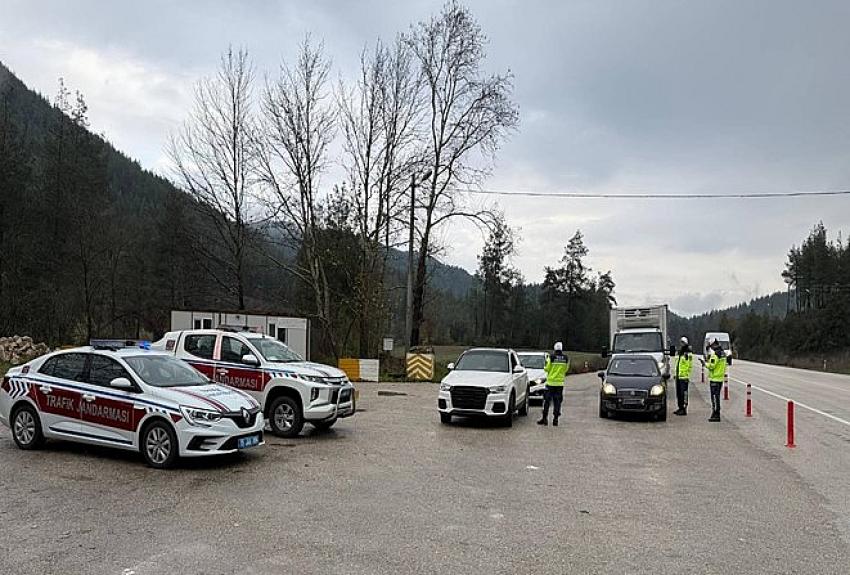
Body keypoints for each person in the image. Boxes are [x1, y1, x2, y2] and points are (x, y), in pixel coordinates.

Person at [537, 341, 570, 426]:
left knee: (547, 401)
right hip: (559, 384)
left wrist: (545, 366)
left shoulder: (551, 357)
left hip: (550, 383)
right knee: (557, 401)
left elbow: (547, 369)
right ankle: (555, 419)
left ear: (555, 349)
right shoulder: (565, 358)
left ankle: (544, 419)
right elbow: (566, 370)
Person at [704, 338, 728, 422]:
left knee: (714, 398)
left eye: (711, 346)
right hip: (720, 378)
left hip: (715, 378)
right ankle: (716, 413)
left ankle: (716, 414)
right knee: (717, 397)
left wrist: (705, 364)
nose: (711, 348)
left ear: (714, 345)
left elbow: (711, 366)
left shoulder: (715, 354)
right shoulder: (723, 353)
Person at [674, 337, 693, 416]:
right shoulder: (680, 352)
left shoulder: (687, 353)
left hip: (684, 377)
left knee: (683, 393)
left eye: (683, 342)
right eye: (681, 342)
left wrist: (687, 376)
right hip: (679, 376)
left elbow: (689, 365)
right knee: (679, 393)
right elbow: (678, 364)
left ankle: (684, 409)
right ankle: (680, 407)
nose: (681, 344)